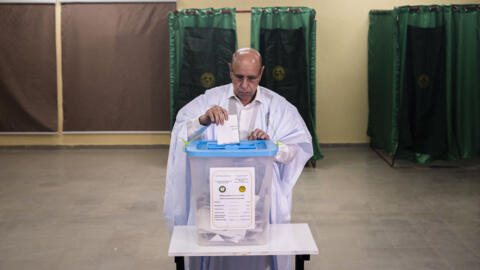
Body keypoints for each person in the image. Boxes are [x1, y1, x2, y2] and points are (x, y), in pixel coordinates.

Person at [164, 48, 313, 270]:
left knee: (259, 250)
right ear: (229, 71)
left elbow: (297, 148)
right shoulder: (210, 100)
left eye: (252, 78)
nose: (244, 85)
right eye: (238, 77)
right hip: (217, 192)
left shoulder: (278, 107)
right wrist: (203, 121)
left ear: (261, 73)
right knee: (217, 249)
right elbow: (180, 134)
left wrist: (271, 145)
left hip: (262, 195)